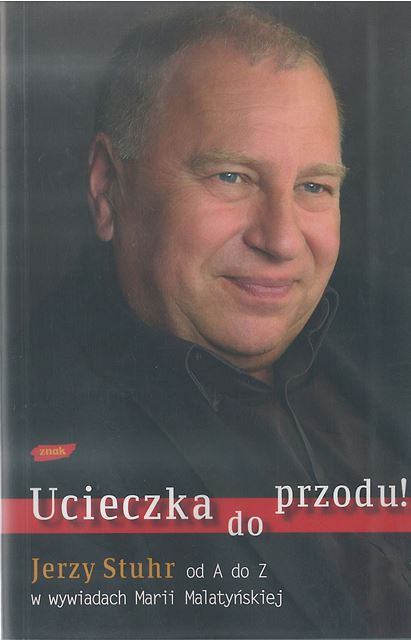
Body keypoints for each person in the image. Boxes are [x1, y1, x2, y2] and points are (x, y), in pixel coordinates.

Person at [7, 5, 411, 639]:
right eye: (231, 176)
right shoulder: (40, 460)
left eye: (314, 187)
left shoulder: (380, 343)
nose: (282, 240)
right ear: (108, 185)